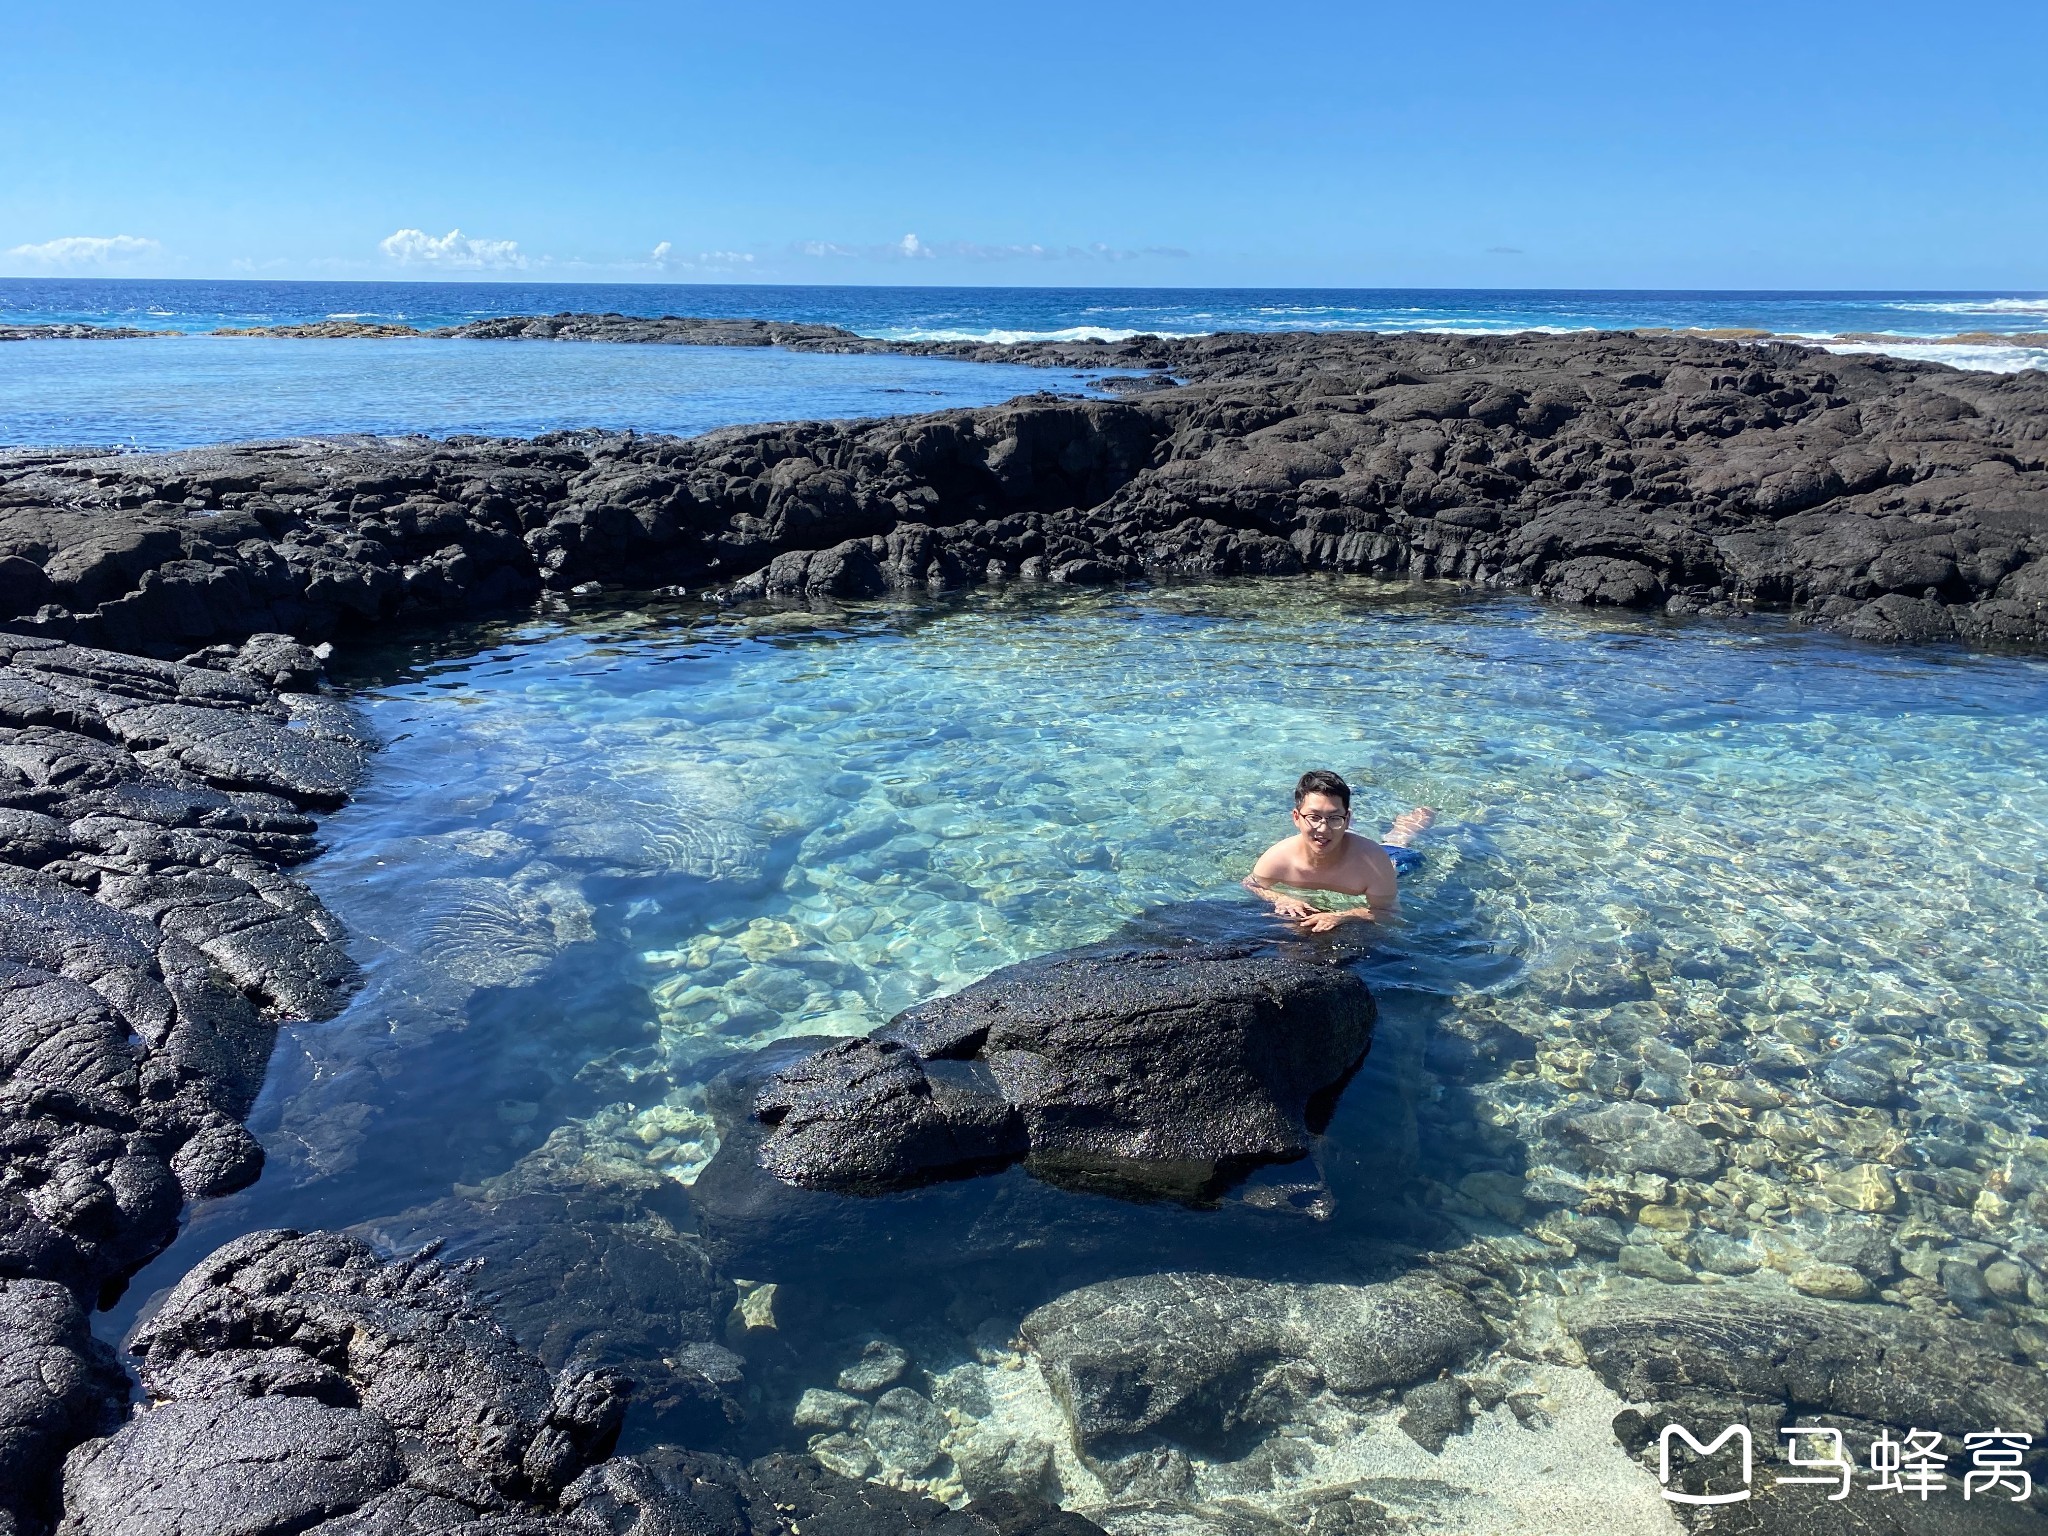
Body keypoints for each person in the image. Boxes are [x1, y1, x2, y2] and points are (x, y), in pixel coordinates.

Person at [1243, 769, 1433, 933]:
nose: (1323, 828)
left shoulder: (1374, 863)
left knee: (1399, 844)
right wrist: (1281, 898)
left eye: (1334, 818)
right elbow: (1251, 884)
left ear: (1347, 818)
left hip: (1387, 858)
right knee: (1332, 835)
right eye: (1313, 817)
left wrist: (1343, 916)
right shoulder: (1278, 858)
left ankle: (1406, 826)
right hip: (1343, 842)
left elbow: (1390, 914)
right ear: (1296, 817)